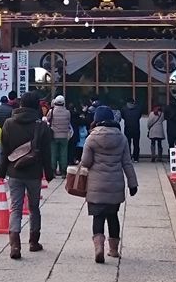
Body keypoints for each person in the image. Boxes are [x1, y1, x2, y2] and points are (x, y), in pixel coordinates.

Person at [0, 92, 54, 260]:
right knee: (34, 208)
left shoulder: (8, 124)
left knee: (15, 208)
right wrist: (49, 173)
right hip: (34, 173)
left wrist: (1, 171)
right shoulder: (41, 126)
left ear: (20, 104)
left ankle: (15, 244)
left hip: (14, 172)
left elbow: (4, 152)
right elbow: (46, 152)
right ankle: (33, 241)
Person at [81, 106, 139, 263]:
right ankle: (113, 250)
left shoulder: (91, 138)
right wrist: (133, 184)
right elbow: (127, 163)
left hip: (96, 186)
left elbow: (86, 162)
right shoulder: (121, 138)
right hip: (115, 185)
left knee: (98, 217)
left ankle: (99, 247)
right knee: (113, 217)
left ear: (97, 119)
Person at [46, 95, 73, 175]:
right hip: (64, 136)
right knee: (63, 153)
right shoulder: (67, 112)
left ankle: (53, 171)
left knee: (53, 153)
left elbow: (47, 120)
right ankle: (63, 171)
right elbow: (68, 122)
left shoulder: (52, 111)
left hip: (54, 135)